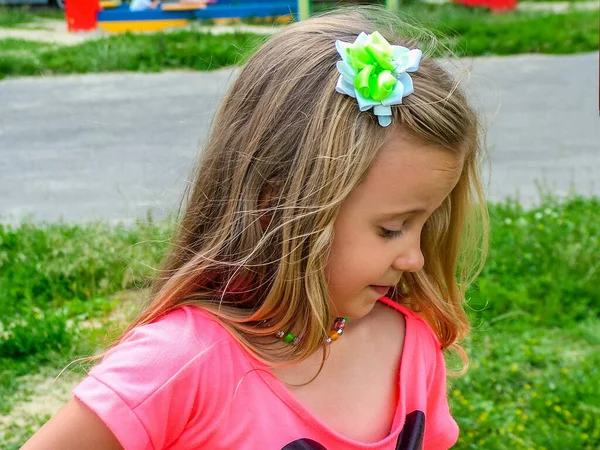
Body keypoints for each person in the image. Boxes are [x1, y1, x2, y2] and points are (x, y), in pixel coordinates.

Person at [22, 6, 488, 450]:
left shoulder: (412, 347)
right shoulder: (178, 362)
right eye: (391, 229)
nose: (415, 258)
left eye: (425, 226)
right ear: (276, 207)